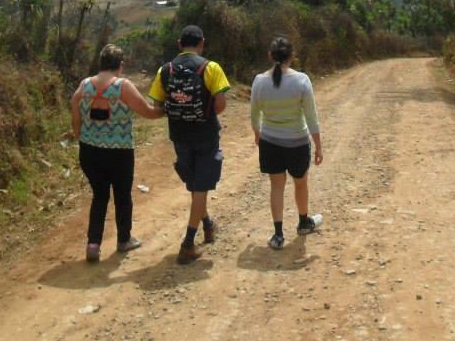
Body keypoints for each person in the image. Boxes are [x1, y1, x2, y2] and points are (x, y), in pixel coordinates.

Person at [147, 25, 230, 264]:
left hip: (179, 136)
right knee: (201, 188)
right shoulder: (211, 67)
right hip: (205, 135)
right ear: (202, 43)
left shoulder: (165, 70)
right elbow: (220, 106)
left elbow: (158, 106)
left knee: (196, 187)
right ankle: (187, 244)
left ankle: (207, 224)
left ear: (178, 43)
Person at [71, 43, 158, 262]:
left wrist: (78, 134)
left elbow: (75, 106)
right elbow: (146, 111)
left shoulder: (85, 85)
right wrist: (167, 110)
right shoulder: (123, 86)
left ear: (101, 63)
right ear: (120, 65)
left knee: (99, 196)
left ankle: (93, 244)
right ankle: (123, 239)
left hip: (89, 151)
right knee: (122, 195)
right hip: (118, 152)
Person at [250, 36, 323, 250]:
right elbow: (311, 117)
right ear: (292, 56)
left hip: (270, 142)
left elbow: (254, 115)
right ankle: (303, 222)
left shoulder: (259, 81)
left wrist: (257, 134)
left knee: (276, 186)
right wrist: (318, 145)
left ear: (270, 56)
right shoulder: (302, 81)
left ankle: (278, 234)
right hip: (297, 143)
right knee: (300, 183)